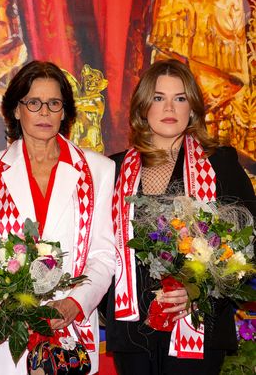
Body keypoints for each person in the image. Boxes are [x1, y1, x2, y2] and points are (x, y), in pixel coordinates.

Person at [0, 60, 116, 374]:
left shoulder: (99, 170)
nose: (44, 112)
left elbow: (103, 255)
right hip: (6, 343)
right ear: (16, 110)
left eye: (53, 103)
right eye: (33, 102)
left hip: (71, 337)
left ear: (65, 112)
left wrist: (76, 303)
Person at [105, 59, 256, 375]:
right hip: (134, 332)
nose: (169, 107)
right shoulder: (113, 169)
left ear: (193, 108)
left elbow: (248, 245)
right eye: (159, 97)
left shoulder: (221, 165)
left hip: (202, 327)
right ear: (144, 107)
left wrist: (197, 289)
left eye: (180, 98)